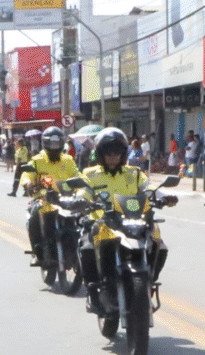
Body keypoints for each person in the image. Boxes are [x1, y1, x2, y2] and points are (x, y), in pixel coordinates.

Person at [75, 127, 175, 315]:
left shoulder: (134, 173)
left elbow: (148, 188)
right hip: (103, 223)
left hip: (133, 221)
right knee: (86, 247)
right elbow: (83, 191)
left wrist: (164, 196)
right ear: (100, 154)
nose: (113, 157)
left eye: (117, 153)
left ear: (123, 154)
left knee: (159, 246)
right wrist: (80, 200)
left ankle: (149, 281)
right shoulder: (90, 174)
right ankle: (93, 291)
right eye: (108, 153)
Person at [19, 126, 80, 267]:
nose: (54, 147)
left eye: (57, 144)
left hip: (65, 200)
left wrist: (82, 185)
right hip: (43, 199)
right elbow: (27, 175)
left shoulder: (68, 160)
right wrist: (28, 183)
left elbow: (77, 175)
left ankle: (75, 253)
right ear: (45, 144)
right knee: (34, 215)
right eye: (51, 144)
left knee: (82, 220)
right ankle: (37, 251)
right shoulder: (37, 160)